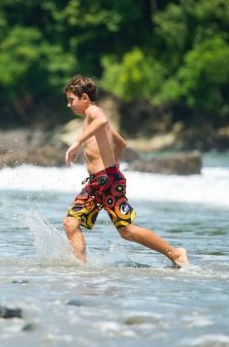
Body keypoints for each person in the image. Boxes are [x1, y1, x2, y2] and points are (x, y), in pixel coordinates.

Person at [62, 75, 188, 267]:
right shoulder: (91, 117)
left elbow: (103, 120)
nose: (69, 105)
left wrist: (77, 142)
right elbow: (121, 142)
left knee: (126, 231)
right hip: (99, 181)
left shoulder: (93, 112)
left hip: (107, 181)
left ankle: (176, 254)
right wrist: (116, 161)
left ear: (85, 98)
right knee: (70, 223)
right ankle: (81, 267)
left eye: (71, 100)